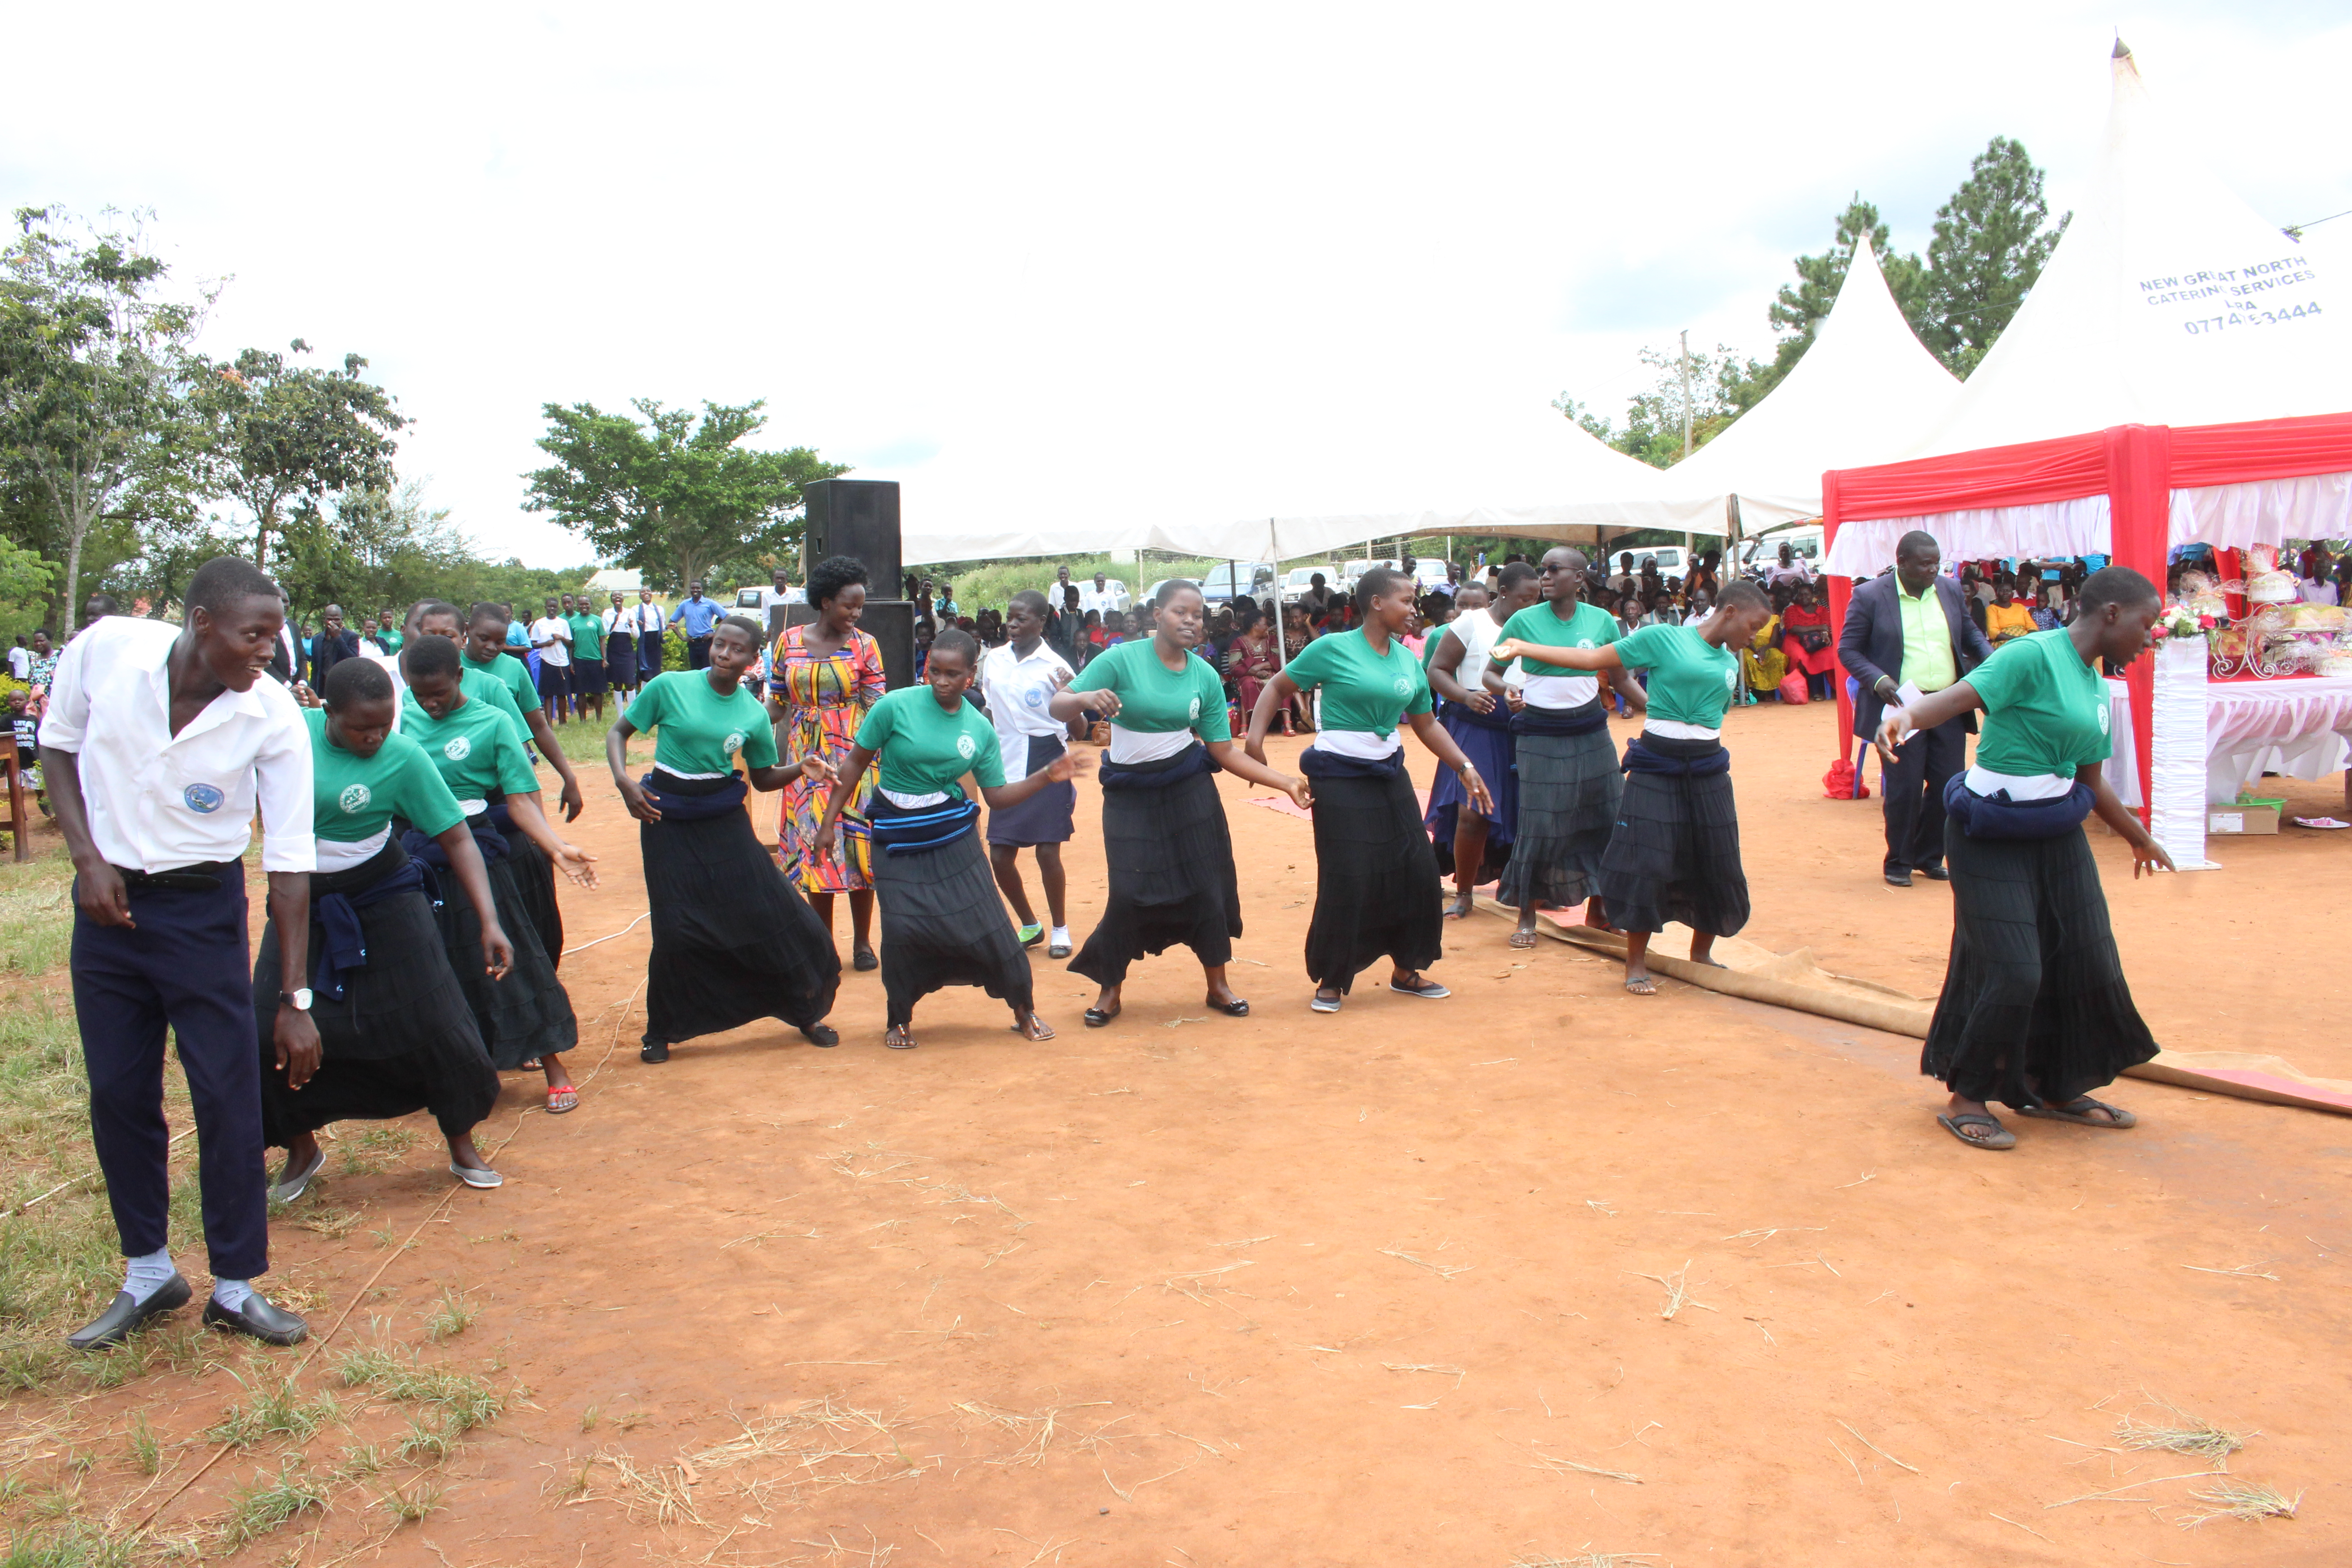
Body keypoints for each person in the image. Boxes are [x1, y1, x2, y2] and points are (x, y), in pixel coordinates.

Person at [39, 556, 317, 1348]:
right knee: (119, 1092)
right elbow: (58, 748)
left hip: (201, 910)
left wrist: (294, 1000)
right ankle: (149, 1273)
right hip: (108, 907)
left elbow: (291, 864)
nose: (267, 650)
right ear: (202, 624)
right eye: (252, 634)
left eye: (274, 634)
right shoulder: (105, 653)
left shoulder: (270, 716)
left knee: (226, 1095)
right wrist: (87, 860)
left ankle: (235, 1286)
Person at [1873, 567, 2172, 1151]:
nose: (2149, 637)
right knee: (2015, 969)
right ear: (2112, 613)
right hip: (1989, 830)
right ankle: (1968, 1093)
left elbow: (2091, 780)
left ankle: (2055, 1085)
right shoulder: (2033, 654)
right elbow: (1955, 699)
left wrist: (2138, 836)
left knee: (2085, 958)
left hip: (2057, 832)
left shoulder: (2093, 684)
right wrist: (1904, 719)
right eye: (2146, 624)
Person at [258, 658, 510, 1199]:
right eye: (360, 728)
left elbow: (458, 837)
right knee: (266, 1024)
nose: (374, 737)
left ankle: (462, 1142)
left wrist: (490, 920)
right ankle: (301, 1148)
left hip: (384, 890)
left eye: (383, 725)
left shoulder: (404, 758)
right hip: (300, 895)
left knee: (437, 1017)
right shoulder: (288, 741)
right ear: (327, 713)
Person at [1494, 581, 1773, 995]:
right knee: (1647, 859)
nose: (1755, 637)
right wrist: (1523, 648)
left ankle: (1701, 955)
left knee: (1716, 857)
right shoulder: (1663, 638)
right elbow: (1591, 659)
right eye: (1754, 626)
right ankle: (1636, 961)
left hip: (1709, 769)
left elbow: (1712, 717)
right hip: (1656, 767)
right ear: (1730, 611)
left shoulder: (1729, 660)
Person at [812, 628, 1083, 1047]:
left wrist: (1048, 776)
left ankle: (1023, 1010)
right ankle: (898, 1018)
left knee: (989, 925)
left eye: (952, 674)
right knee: (901, 930)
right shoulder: (893, 707)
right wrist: (829, 824)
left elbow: (998, 798)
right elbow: (853, 766)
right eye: (933, 671)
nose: (941, 681)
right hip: (895, 836)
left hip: (952, 834)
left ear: (970, 677)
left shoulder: (979, 729)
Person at [1245, 567, 1492, 1013]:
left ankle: (1406, 969)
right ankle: (1332, 978)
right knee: (1350, 874)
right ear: (1377, 603)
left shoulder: (1406, 660)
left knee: (1416, 870)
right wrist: (1254, 740)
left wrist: (1464, 765)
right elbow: (1279, 686)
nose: (1414, 611)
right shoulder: (1333, 649)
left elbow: (1426, 723)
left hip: (1388, 773)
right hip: (1338, 774)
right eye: (1406, 601)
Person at [610, 616, 842, 1061]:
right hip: (666, 815)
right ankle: (662, 1030)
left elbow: (762, 778)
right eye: (719, 644)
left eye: (736, 650)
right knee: (676, 929)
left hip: (722, 816)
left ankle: (805, 1009)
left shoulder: (752, 715)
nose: (723, 654)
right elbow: (618, 733)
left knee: (774, 910)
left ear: (753, 661)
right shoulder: (669, 686)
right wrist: (624, 781)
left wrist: (802, 767)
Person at [400, 635, 596, 1107]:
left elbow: (521, 803)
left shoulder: (492, 723)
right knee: (436, 967)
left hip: (479, 855)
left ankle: (553, 1064)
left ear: (459, 678)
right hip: (421, 860)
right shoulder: (400, 717)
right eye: (420, 694)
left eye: (439, 694)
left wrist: (556, 847)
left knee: (515, 956)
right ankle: (455, 1069)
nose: (430, 704)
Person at [1485, 548, 1646, 946]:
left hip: (1592, 732)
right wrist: (1507, 690)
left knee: (1607, 816)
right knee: (1541, 823)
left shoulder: (1602, 622)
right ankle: (1527, 915)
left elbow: (1621, 679)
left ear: (1579, 578)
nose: (1545, 576)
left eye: (1555, 569)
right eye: (1543, 570)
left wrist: (1661, 712)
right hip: (1539, 734)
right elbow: (1490, 674)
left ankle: (1602, 911)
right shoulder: (1522, 621)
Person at [1838, 531, 1993, 888]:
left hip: (1949, 703)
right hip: (1900, 705)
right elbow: (1849, 650)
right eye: (1925, 564)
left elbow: (1970, 636)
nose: (1933, 569)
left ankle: (1929, 857)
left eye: (1937, 562)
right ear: (1902, 562)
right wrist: (1879, 681)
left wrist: (1992, 663)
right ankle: (1899, 860)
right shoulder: (1870, 596)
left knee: (1947, 783)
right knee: (1904, 787)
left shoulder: (1950, 590)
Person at [768, 555, 887, 971]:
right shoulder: (790, 642)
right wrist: (744, 725)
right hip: (805, 759)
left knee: (857, 845)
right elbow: (777, 701)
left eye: (860, 607)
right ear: (824, 602)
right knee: (812, 845)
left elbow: (877, 705)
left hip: (855, 753)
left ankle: (863, 943)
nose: (855, 614)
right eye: (848, 606)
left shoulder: (865, 645)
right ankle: (824, 945)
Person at [1426, 563, 1539, 915]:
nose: (1532, 605)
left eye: (1536, 599)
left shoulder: (1538, 625)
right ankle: (1464, 893)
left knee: (1529, 813)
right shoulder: (1471, 623)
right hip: (1477, 723)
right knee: (1473, 813)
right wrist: (1464, 696)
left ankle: (1528, 887)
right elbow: (1437, 670)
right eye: (1525, 598)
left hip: (1525, 725)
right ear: (1502, 593)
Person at [979, 591, 1079, 957]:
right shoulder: (994, 660)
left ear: (1042, 621)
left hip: (1047, 759)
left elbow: (1079, 729)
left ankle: (1060, 929)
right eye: (1011, 617)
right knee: (1001, 858)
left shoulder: (1056, 665)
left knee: (1047, 854)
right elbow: (989, 711)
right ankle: (1029, 924)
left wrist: (1072, 695)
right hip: (1005, 761)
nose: (1013, 625)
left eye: (1022, 619)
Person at [460, 604, 587, 822]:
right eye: (484, 638)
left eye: (500, 642)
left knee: (530, 834)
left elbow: (538, 726)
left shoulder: (514, 668)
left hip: (511, 770)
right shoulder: (451, 667)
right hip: (464, 776)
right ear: (467, 629)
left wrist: (569, 778)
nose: (492, 647)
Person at [1779, 581, 1837, 700]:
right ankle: (1798, 690)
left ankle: (1816, 691)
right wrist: (1819, 627)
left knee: (1828, 656)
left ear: (1813, 595)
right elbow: (1793, 629)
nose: (1803, 597)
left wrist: (1825, 633)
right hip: (1795, 640)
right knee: (1799, 656)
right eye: (1801, 595)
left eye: (1807, 594)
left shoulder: (1823, 610)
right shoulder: (1791, 610)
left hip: (1817, 642)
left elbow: (1826, 627)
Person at [529, 595, 574, 722]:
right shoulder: (539, 624)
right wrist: (545, 644)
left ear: (557, 608)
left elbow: (571, 644)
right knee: (548, 694)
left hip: (562, 661)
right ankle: (549, 722)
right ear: (546, 608)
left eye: (554, 607)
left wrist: (561, 638)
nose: (552, 609)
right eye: (550, 607)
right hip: (546, 661)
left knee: (562, 694)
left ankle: (563, 721)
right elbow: (532, 644)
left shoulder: (563, 623)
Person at [566, 593, 608, 722]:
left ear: (590, 605)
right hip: (579, 659)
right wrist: (571, 662)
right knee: (581, 692)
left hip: (596, 659)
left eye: (587, 604)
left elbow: (602, 641)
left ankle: (599, 718)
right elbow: (571, 644)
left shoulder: (597, 620)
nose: (584, 606)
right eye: (581, 604)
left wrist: (604, 658)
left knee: (598, 691)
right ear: (578, 606)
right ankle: (583, 719)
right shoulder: (572, 622)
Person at [1737, 598, 1786, 696]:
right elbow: (1747, 635)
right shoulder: (1751, 617)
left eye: (1772, 602)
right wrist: (1756, 650)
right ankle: (1754, 692)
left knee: (1778, 658)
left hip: (1767, 646)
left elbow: (1774, 640)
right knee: (1747, 659)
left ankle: (1769, 691)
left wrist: (1764, 649)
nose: (1769, 605)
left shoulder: (1775, 618)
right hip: (1750, 645)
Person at [669, 580, 723, 670]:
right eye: (693, 588)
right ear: (690, 590)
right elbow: (672, 622)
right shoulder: (685, 605)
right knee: (695, 672)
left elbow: (727, 617)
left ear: (702, 589)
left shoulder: (710, 604)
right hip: (692, 644)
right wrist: (682, 638)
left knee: (708, 671)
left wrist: (715, 633)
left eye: (698, 588)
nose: (695, 590)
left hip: (707, 643)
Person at [309, 604, 360, 689]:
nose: (333, 623)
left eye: (337, 620)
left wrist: (338, 638)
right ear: (324, 620)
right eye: (329, 619)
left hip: (344, 687)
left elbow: (353, 660)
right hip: (323, 687)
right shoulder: (317, 639)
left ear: (342, 620)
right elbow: (315, 668)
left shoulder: (352, 637)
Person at [602, 590, 642, 696]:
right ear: (611, 599)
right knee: (617, 683)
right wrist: (614, 623)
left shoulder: (630, 612)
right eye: (614, 596)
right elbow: (604, 634)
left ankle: (632, 711)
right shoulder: (607, 613)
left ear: (623, 599)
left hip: (627, 649)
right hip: (614, 648)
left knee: (630, 683)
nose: (617, 597)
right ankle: (620, 712)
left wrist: (632, 625)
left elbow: (637, 636)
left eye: (620, 595)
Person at [1983, 580, 2036, 646]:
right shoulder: (1992, 609)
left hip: (2024, 640)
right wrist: (2016, 639)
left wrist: (2029, 638)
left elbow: (2032, 626)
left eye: (2008, 591)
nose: (2005, 593)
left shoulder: (2020, 607)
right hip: (2004, 641)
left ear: (2012, 594)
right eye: (2002, 591)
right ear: (1996, 594)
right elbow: (1993, 632)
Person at [630, 588, 667, 680]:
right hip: (644, 642)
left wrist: (668, 627)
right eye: (643, 592)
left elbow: (662, 628)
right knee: (646, 674)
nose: (646, 593)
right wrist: (637, 625)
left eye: (649, 591)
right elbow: (635, 631)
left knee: (656, 672)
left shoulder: (659, 609)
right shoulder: (635, 610)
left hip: (656, 643)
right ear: (640, 596)